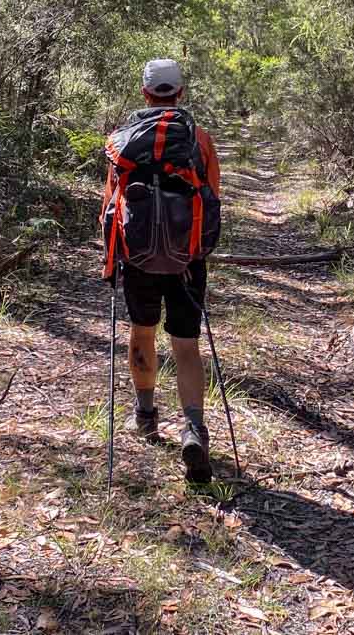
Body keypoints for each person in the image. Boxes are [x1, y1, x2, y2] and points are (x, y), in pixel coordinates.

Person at [100, 58, 221, 482]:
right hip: (188, 259)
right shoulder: (199, 140)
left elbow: (111, 202)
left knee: (143, 332)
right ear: (180, 93)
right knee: (186, 344)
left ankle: (146, 415)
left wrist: (110, 259)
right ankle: (194, 428)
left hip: (137, 258)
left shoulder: (123, 141)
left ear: (145, 93)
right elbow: (212, 198)